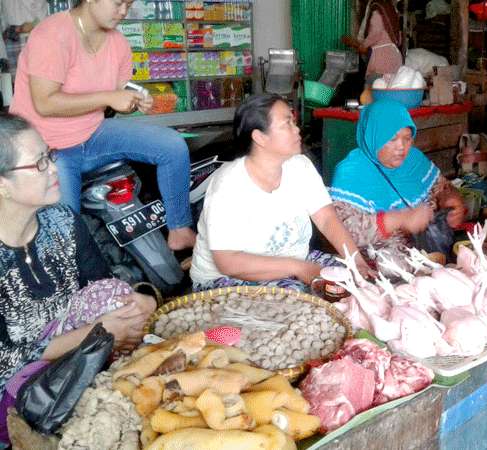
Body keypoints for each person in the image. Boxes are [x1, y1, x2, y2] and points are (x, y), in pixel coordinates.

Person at [0, 114, 156, 445]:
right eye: (39, 164)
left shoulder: (61, 221)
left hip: (72, 354)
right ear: (2, 184)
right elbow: (9, 358)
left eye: (49, 155)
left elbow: (101, 285)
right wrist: (98, 331)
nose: (54, 169)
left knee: (117, 297)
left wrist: (140, 300)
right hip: (13, 383)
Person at [10, 0, 196, 251]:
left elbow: (116, 96)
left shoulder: (118, 43)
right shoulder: (52, 34)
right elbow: (45, 103)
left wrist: (133, 100)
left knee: (172, 145)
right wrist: (109, 97)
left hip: (93, 133)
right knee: (64, 229)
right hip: (48, 147)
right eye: (118, 3)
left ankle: (180, 229)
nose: (123, 12)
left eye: (128, 5)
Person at [190, 94, 368, 292]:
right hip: (225, 279)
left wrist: (357, 261)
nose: (297, 129)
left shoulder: (301, 166)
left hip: (294, 260)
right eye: (287, 124)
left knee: (352, 282)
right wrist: (299, 268)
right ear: (260, 137)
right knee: (301, 306)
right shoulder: (228, 185)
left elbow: (326, 218)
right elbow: (228, 263)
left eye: (293, 121)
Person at [330, 99, 466, 267]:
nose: (401, 147)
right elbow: (341, 232)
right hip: (382, 266)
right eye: (392, 139)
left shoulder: (414, 160)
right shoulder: (350, 173)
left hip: (430, 253)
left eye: (407, 138)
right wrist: (399, 219)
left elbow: (442, 188)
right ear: (374, 136)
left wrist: (450, 199)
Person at [342, 0, 403, 84]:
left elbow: (375, 34)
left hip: (382, 60)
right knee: (386, 90)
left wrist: (362, 45)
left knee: (371, 91)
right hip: (393, 58)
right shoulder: (389, 9)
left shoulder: (377, 10)